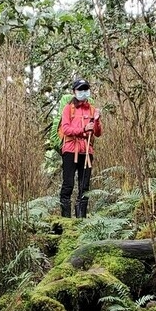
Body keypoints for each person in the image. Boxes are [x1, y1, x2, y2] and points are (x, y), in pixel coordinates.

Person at [58, 78, 102, 218]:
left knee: (84, 186)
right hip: (70, 149)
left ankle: (81, 220)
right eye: (80, 89)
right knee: (68, 185)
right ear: (74, 92)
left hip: (87, 151)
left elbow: (98, 133)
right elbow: (65, 129)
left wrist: (97, 120)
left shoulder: (92, 109)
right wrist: (83, 129)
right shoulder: (68, 109)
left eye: (85, 89)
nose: (83, 92)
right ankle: (65, 222)